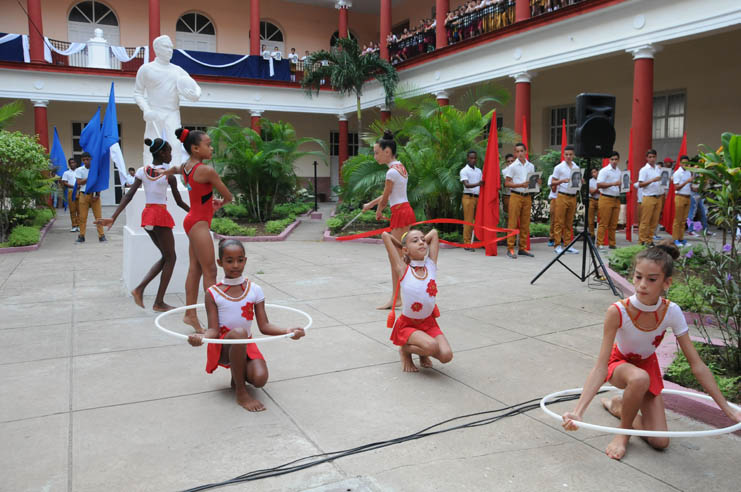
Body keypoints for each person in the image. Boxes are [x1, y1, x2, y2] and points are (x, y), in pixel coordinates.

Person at [562, 241, 741, 460]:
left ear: (666, 283)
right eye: (638, 277)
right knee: (638, 378)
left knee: (660, 441)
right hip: (619, 365)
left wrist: (727, 409)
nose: (642, 284)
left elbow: (697, 365)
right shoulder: (618, 311)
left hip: (648, 368)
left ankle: (620, 406)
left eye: (652, 279)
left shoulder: (671, 311)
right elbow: (600, 367)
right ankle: (623, 435)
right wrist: (578, 412)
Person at [188, 239, 305, 411]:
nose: (235, 265)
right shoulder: (213, 293)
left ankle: (236, 378)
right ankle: (241, 393)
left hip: (246, 343)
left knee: (259, 379)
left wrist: (287, 331)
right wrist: (201, 338)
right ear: (220, 263)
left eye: (240, 260)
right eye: (229, 261)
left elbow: (264, 326)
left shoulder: (255, 289)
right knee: (239, 332)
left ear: (245, 260)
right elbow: (213, 330)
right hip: (224, 347)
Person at [96, 138, 190, 311]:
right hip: (160, 215)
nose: (171, 155)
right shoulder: (168, 175)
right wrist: (195, 212)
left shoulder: (141, 171)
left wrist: (114, 217)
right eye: (169, 152)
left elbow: (129, 195)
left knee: (166, 256)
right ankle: (158, 301)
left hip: (147, 216)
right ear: (162, 153)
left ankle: (140, 290)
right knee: (171, 257)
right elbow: (178, 202)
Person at [160, 128, 233, 332]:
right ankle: (214, 322)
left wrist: (166, 171)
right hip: (199, 222)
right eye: (208, 145)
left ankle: (190, 314)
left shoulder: (187, 167)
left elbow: (176, 168)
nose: (211, 148)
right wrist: (221, 202)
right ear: (195, 148)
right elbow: (229, 196)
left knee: (196, 269)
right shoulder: (206, 170)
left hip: (193, 220)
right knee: (210, 270)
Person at [382, 229, 452, 373]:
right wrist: (403, 247)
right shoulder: (403, 269)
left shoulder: (431, 265)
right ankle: (405, 351)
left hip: (428, 323)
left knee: (446, 356)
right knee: (431, 346)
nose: (421, 242)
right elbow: (385, 235)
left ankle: (422, 352)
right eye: (415, 241)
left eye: (423, 240)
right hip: (408, 324)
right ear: (406, 249)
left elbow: (434, 233)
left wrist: (416, 243)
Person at [363, 130, 416, 309]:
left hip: (400, 213)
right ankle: (400, 296)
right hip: (404, 210)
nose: (375, 156)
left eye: (377, 152)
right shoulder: (400, 167)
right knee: (400, 256)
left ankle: (398, 297)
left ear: (387, 152)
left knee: (396, 257)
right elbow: (390, 194)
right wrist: (371, 204)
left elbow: (386, 199)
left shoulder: (390, 173)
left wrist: (378, 210)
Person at [133, 35, 201, 168]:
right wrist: (146, 110)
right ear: (157, 48)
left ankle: (175, 174)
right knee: (151, 144)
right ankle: (149, 173)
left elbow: (195, 88)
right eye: (166, 47)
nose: (170, 50)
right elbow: (138, 93)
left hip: (172, 112)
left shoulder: (177, 70)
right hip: (154, 112)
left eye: (171, 47)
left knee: (175, 144)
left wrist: (194, 95)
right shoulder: (146, 69)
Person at [503, 143, 537, 259]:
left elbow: (533, 181)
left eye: (521, 151)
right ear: (515, 153)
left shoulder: (531, 166)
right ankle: (510, 248)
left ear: (525, 152)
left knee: (525, 223)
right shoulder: (512, 166)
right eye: (517, 151)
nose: (519, 154)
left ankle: (522, 248)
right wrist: (520, 184)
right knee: (512, 222)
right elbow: (507, 183)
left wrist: (536, 183)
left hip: (527, 196)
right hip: (516, 195)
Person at [550, 145, 580, 255]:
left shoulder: (576, 167)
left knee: (569, 222)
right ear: (563, 155)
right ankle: (557, 245)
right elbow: (552, 182)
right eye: (566, 154)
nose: (568, 156)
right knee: (559, 221)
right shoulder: (559, 167)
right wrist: (562, 181)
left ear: (573, 155)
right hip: (562, 195)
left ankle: (568, 245)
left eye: (570, 154)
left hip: (573, 196)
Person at [75, 152, 106, 243]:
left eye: (87, 159)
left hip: (95, 195)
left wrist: (98, 194)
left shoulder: (96, 169)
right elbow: (79, 182)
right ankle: (81, 235)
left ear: (91, 159)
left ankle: (101, 235)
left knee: (98, 216)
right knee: (82, 217)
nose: (86, 161)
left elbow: (99, 183)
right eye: (84, 160)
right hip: (83, 195)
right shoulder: (79, 170)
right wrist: (90, 177)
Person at [596, 151, 622, 250]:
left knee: (614, 223)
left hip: (616, 198)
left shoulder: (619, 171)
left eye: (616, 159)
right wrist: (613, 183)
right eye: (612, 159)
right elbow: (599, 185)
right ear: (609, 160)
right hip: (606, 197)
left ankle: (612, 243)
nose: (614, 161)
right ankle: (600, 243)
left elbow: (619, 185)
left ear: (618, 160)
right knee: (604, 222)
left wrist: (625, 184)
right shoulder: (604, 171)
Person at [637, 149, 662, 246]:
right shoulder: (644, 170)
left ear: (656, 157)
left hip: (658, 196)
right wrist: (652, 180)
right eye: (650, 157)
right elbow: (640, 184)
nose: (652, 159)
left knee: (654, 221)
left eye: (654, 157)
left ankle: (649, 239)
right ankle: (642, 240)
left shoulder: (658, 169)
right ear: (647, 158)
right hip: (648, 197)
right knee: (645, 220)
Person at [459, 150, 483, 251]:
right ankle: (467, 243)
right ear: (468, 158)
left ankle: (480, 240)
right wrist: (478, 183)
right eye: (471, 158)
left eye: (475, 158)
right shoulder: (464, 170)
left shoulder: (478, 171)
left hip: (478, 197)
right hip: (468, 197)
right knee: (468, 221)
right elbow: (466, 184)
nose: (473, 160)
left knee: (480, 220)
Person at [670, 155, 693, 246]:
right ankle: (675, 239)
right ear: (680, 163)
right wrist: (687, 181)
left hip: (688, 196)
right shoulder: (677, 173)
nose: (685, 164)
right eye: (683, 163)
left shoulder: (689, 172)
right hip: (680, 197)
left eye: (687, 163)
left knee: (684, 220)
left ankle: (681, 238)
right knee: (678, 220)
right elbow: (677, 187)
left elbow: (689, 186)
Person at [61, 158, 79, 232]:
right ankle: (74, 225)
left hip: (79, 192)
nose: (72, 164)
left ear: (76, 163)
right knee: (72, 210)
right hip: (71, 192)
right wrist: (73, 186)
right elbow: (64, 183)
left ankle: (79, 225)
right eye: (71, 163)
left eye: (73, 162)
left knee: (80, 209)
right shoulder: (66, 173)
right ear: (69, 164)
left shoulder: (80, 171)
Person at [587, 167, 600, 238]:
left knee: (601, 218)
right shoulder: (590, 181)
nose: (593, 174)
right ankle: (592, 235)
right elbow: (591, 192)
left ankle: (600, 236)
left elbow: (602, 191)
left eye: (594, 172)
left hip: (600, 200)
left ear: (598, 172)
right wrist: (597, 189)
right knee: (590, 219)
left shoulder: (601, 180)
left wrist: (596, 190)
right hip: (591, 200)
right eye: (592, 173)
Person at [546, 174, 557, 247]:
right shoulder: (552, 176)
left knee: (563, 220)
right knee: (553, 219)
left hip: (565, 199)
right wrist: (558, 181)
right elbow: (553, 189)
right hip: (555, 199)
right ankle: (552, 238)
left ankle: (561, 238)